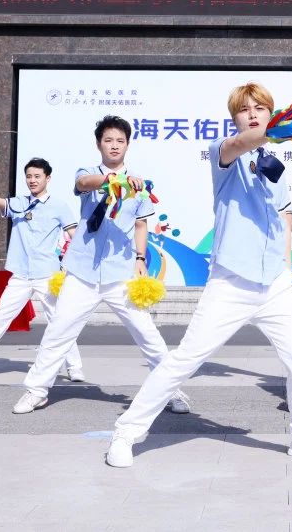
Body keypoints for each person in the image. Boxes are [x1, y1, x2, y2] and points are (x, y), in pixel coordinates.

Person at [105, 83, 292, 468]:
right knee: (185, 359)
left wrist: (286, 262)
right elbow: (240, 144)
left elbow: (284, 214)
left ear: (270, 112)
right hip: (231, 281)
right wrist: (273, 131)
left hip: (274, 283)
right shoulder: (223, 151)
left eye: (260, 108)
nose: (253, 114)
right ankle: (126, 432)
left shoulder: (274, 165)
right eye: (245, 109)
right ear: (234, 117)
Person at [12, 115, 188, 416]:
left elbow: (141, 225)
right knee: (58, 332)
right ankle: (37, 390)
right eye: (108, 140)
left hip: (120, 273)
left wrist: (140, 259)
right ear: (99, 144)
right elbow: (83, 184)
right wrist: (113, 181)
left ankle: (170, 390)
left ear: (128, 145)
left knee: (147, 334)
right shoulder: (89, 174)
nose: (114, 145)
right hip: (82, 272)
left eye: (120, 140)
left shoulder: (139, 185)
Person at [0, 157, 84, 382]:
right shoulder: (19, 203)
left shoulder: (59, 206)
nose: (32, 180)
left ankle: (74, 367)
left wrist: (74, 266)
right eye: (29, 176)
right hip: (21, 274)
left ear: (48, 178)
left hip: (47, 274)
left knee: (60, 321)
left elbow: (75, 236)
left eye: (37, 176)